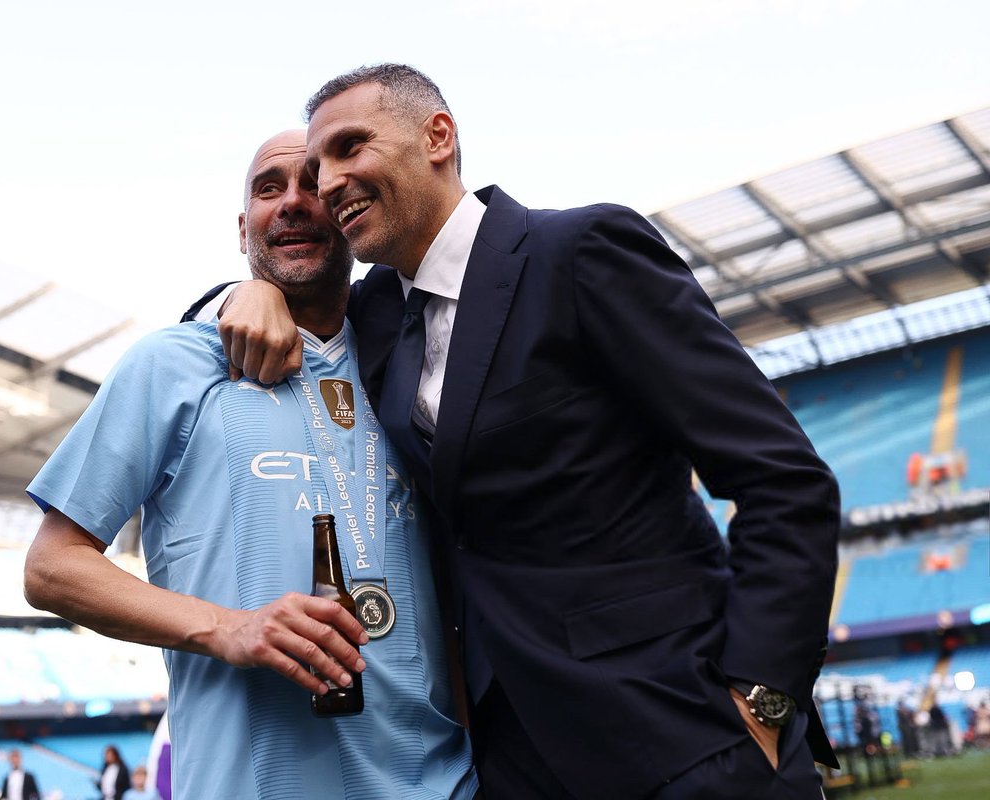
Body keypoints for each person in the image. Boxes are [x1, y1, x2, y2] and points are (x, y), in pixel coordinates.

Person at [214, 64, 841, 799]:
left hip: (683, 732)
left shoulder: (579, 252)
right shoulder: (379, 313)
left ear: (437, 137)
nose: (327, 183)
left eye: (352, 147)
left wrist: (762, 699)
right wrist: (246, 286)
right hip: (512, 757)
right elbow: (296, 285)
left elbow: (783, 480)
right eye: (320, 168)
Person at [23, 129, 476, 800]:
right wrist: (231, 626)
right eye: (269, 189)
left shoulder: (411, 360)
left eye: (314, 186)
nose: (292, 203)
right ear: (244, 229)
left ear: (351, 212)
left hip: (442, 785)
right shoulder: (172, 364)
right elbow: (52, 568)